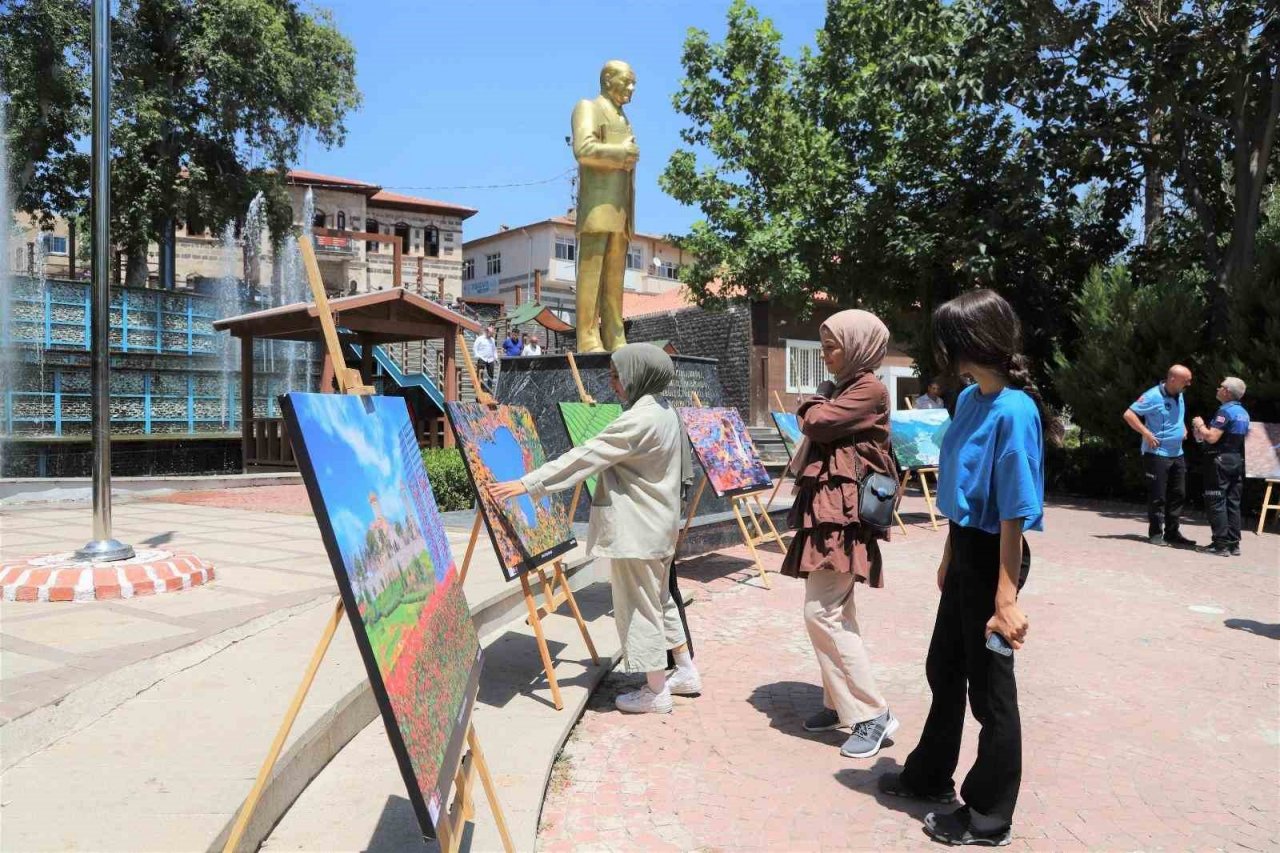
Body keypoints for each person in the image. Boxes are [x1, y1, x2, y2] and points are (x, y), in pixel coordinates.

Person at [879, 288, 1058, 847]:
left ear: (967, 342)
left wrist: (1006, 597)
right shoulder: (970, 401)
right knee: (944, 666)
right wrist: (949, 555)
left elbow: (1014, 511)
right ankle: (930, 775)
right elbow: (961, 491)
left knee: (991, 691)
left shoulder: (1015, 409)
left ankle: (988, 814)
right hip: (966, 548)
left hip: (995, 556)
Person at [489, 343, 700, 714]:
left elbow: (585, 456)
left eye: (618, 375)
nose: (612, 382)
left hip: (638, 531)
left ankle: (655, 691)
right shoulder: (664, 412)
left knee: (639, 609)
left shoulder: (639, 419)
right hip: (660, 527)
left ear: (639, 375)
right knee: (660, 602)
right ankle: (684, 672)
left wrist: (530, 484)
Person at [782, 309, 899, 759]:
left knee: (822, 615)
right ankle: (838, 702)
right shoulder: (845, 387)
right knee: (837, 613)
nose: (827, 356)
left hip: (844, 520)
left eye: (833, 346)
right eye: (824, 346)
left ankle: (873, 712)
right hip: (829, 514)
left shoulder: (867, 388)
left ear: (858, 347)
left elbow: (816, 423)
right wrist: (820, 400)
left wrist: (813, 402)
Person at [1123, 365, 1196, 547]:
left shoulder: (1180, 394)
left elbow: (1177, 416)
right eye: (1186, 380)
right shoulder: (1152, 396)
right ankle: (1156, 533)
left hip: (1177, 452)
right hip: (1157, 453)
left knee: (1178, 493)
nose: (1189, 383)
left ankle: (1172, 532)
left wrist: (1183, 427)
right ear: (1172, 379)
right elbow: (1129, 414)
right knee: (1158, 495)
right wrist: (1146, 433)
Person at [1192, 377, 1250, 557]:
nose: (1217, 389)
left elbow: (1211, 437)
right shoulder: (1243, 412)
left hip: (1219, 461)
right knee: (1233, 502)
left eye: (1221, 386)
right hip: (1236, 460)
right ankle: (1233, 544)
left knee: (1216, 500)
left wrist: (1199, 425)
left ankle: (1220, 545)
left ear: (1227, 391)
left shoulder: (1224, 412)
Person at [473, 325, 497, 390]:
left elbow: (494, 349)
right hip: (482, 358)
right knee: (480, 374)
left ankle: (489, 389)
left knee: (491, 374)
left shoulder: (492, 340)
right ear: (486, 331)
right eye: (490, 333)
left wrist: (496, 358)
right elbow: (475, 348)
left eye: (492, 333)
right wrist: (478, 356)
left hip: (490, 359)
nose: (491, 335)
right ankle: (480, 388)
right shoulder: (480, 339)